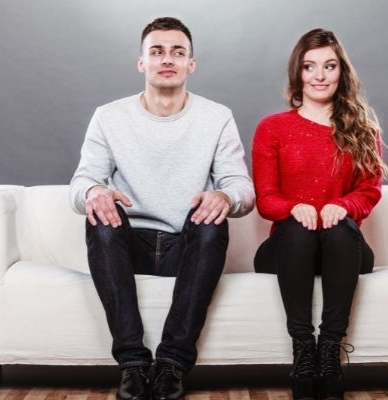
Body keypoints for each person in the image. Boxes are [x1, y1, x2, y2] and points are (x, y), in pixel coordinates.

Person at [69, 17, 255, 400]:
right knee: (100, 217)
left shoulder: (216, 117)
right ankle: (133, 364)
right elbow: (80, 181)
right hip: (127, 247)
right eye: (157, 51)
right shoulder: (109, 116)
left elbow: (242, 188)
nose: (166, 59)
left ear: (191, 64)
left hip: (185, 247)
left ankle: (172, 364)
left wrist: (225, 197)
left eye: (177, 51)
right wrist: (93, 192)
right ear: (142, 62)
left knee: (211, 221)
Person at [252, 28, 388, 400]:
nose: (320, 75)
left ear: (341, 72)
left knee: (341, 230)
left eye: (329, 66)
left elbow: (369, 192)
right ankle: (303, 352)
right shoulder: (273, 128)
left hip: (342, 249)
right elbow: (266, 199)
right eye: (310, 67)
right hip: (287, 248)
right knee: (297, 229)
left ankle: (329, 350)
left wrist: (341, 205)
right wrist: (294, 207)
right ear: (298, 73)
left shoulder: (363, 129)